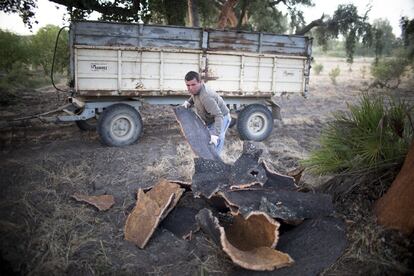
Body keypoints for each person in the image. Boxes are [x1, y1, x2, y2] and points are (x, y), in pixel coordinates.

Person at [182, 71, 231, 155]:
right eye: (188, 85)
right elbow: (194, 96)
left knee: (215, 144)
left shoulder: (206, 97)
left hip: (221, 118)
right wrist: (189, 102)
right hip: (210, 118)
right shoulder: (196, 91)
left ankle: (215, 164)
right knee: (206, 140)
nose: (190, 88)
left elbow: (218, 116)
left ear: (200, 82)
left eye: (193, 85)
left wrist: (215, 135)